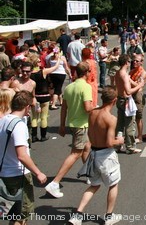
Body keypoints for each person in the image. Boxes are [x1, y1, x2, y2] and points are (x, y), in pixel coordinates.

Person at [68, 86, 124, 225]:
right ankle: (109, 216)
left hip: (93, 153)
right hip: (106, 156)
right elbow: (110, 142)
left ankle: (77, 215)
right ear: (114, 100)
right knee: (113, 184)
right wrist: (120, 140)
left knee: (94, 185)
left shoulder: (92, 113)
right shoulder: (111, 119)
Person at [44, 62, 93, 199]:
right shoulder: (86, 87)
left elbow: (64, 108)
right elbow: (88, 108)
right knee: (76, 153)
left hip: (73, 123)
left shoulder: (69, 87)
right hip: (81, 124)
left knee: (87, 146)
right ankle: (55, 182)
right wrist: (99, 109)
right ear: (87, 72)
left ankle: (89, 174)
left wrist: (62, 125)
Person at [0, 91, 47, 224]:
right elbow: (22, 155)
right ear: (26, 107)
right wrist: (38, 173)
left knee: (12, 214)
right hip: (17, 175)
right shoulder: (19, 125)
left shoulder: (3, 120)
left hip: (4, 173)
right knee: (22, 215)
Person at [115, 54, 144, 153]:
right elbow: (128, 91)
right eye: (130, 61)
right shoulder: (124, 75)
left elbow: (132, 83)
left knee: (120, 124)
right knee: (130, 124)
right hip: (126, 101)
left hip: (119, 99)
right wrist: (140, 85)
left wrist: (138, 83)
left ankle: (118, 145)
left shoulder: (118, 73)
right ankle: (131, 147)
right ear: (126, 62)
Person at [30, 54, 61, 142]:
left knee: (34, 117)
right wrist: (58, 59)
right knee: (43, 117)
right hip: (44, 97)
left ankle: (34, 136)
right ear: (37, 63)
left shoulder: (30, 74)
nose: (40, 62)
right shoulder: (43, 72)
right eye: (39, 61)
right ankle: (43, 136)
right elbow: (55, 67)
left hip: (35, 97)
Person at [129, 53, 146, 144]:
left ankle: (140, 136)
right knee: (130, 117)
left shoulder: (143, 73)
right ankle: (131, 135)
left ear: (141, 62)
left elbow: (138, 84)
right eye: (134, 60)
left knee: (138, 118)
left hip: (138, 96)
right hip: (131, 95)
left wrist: (128, 80)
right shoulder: (132, 71)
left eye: (137, 61)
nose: (135, 62)